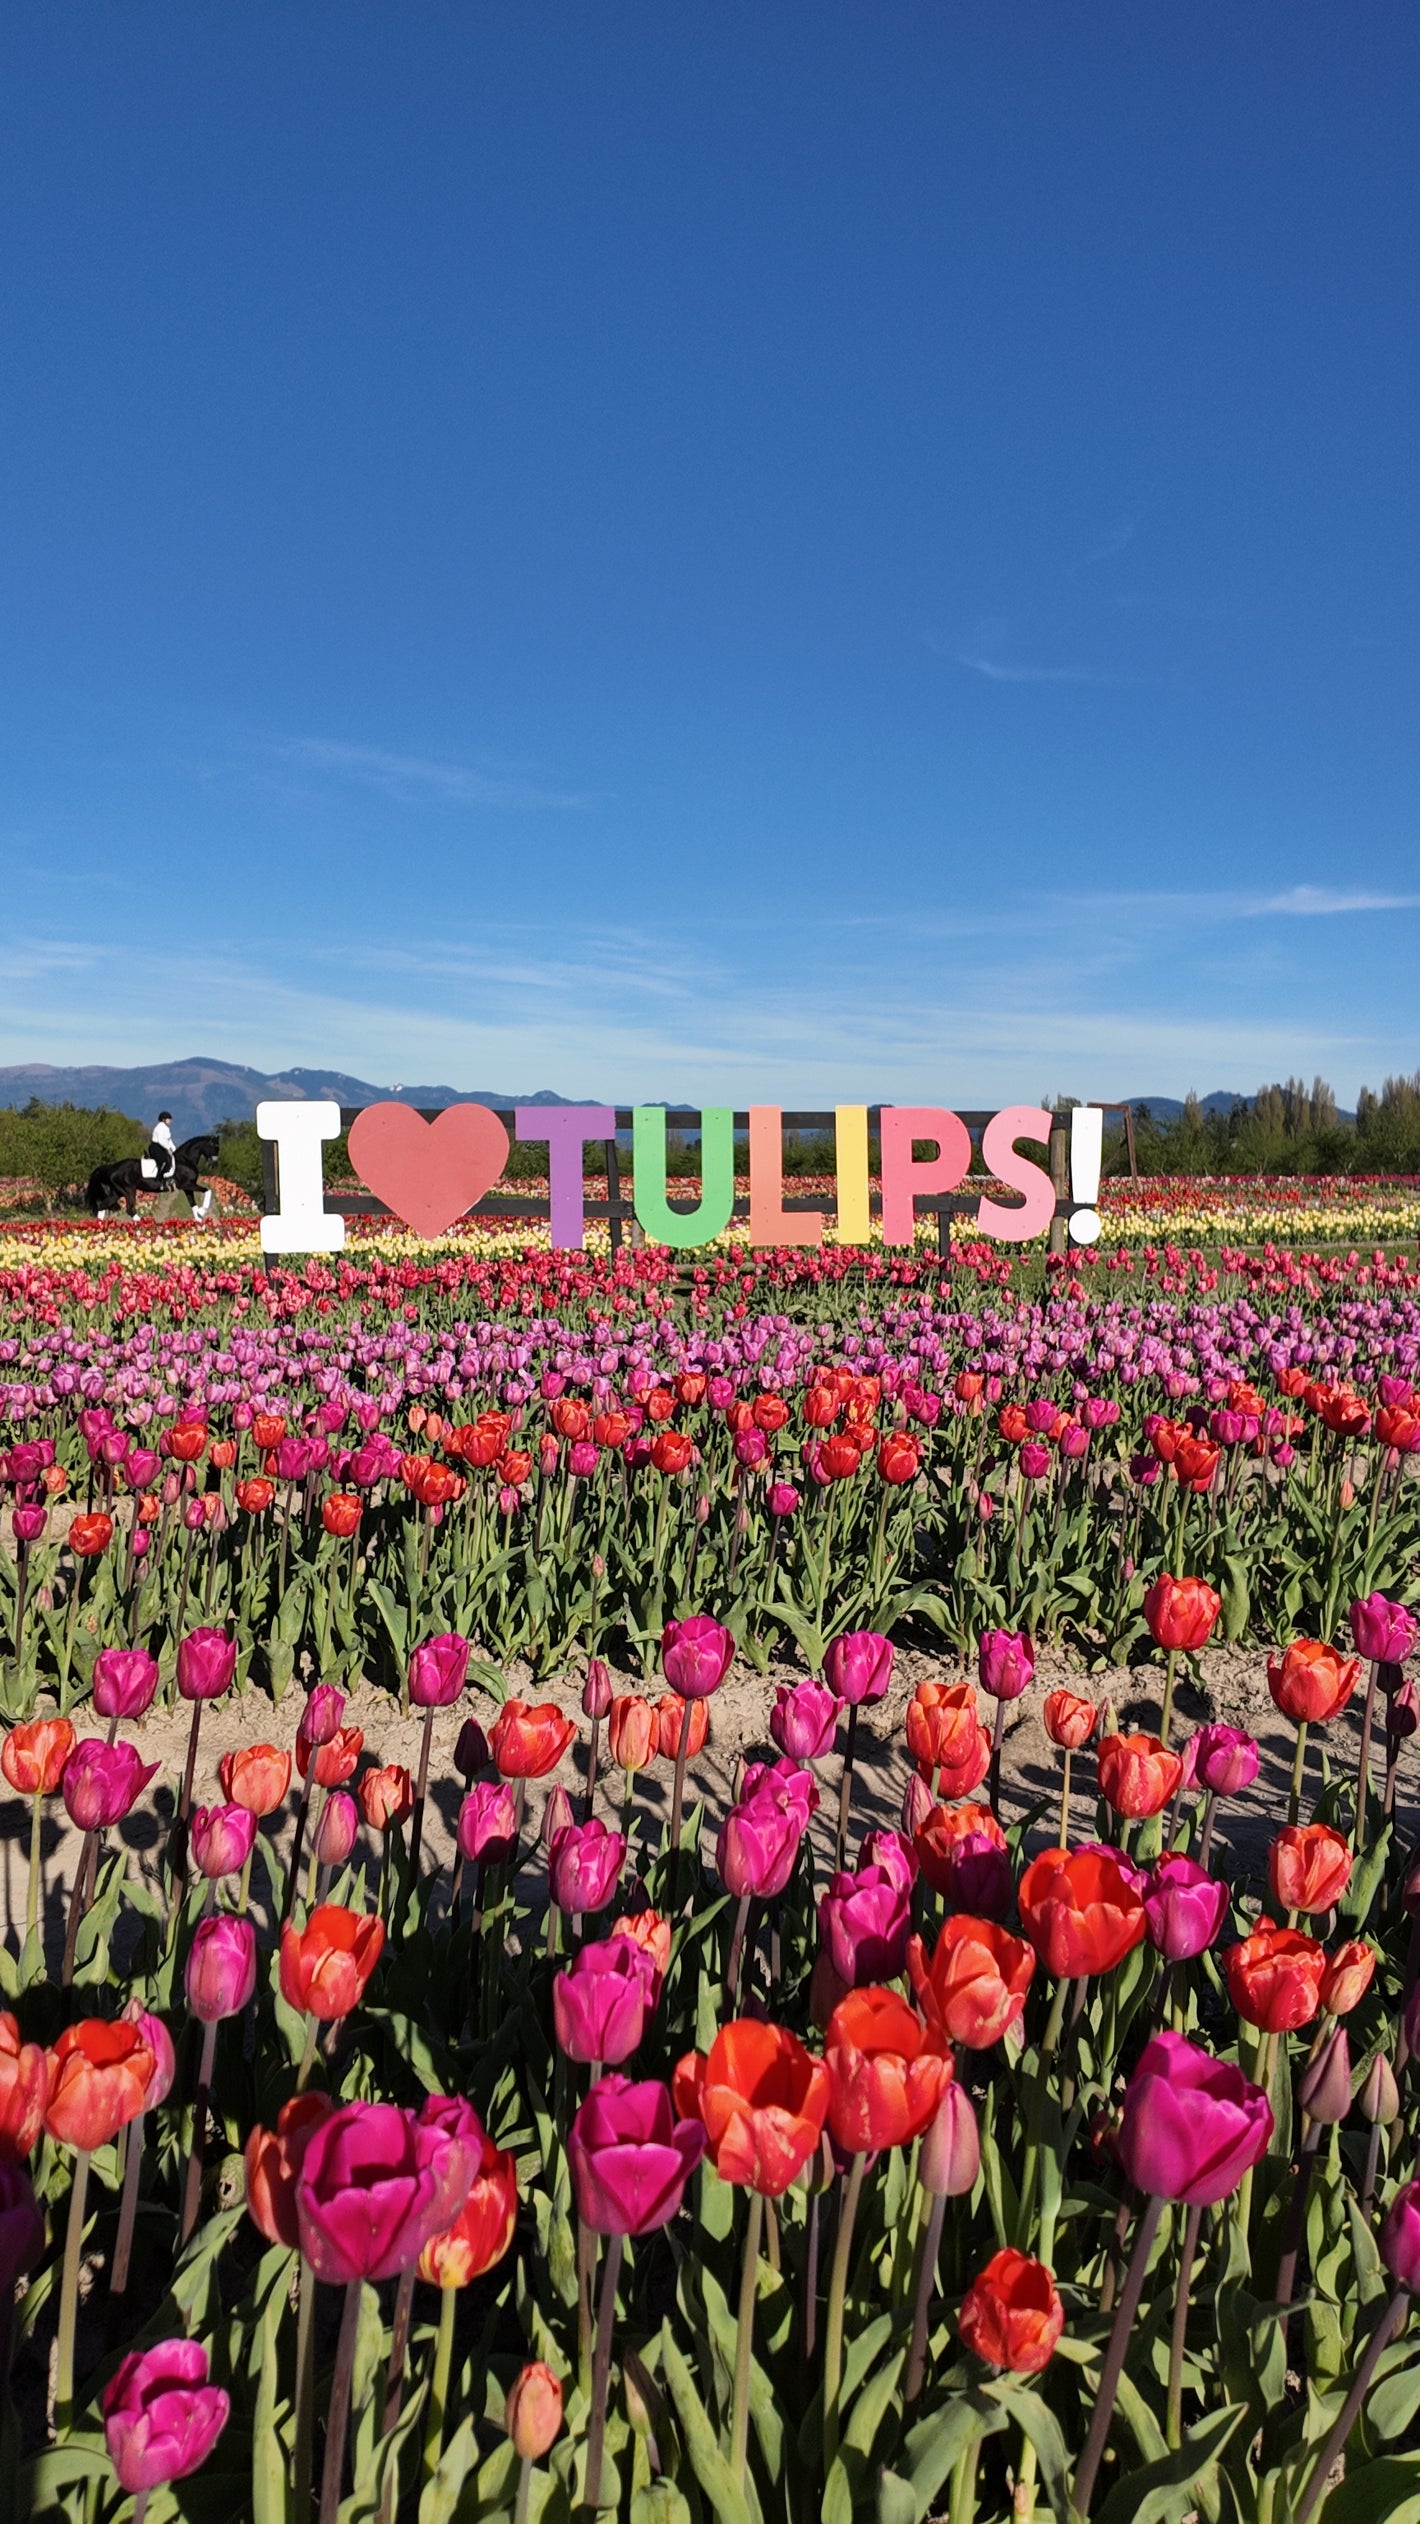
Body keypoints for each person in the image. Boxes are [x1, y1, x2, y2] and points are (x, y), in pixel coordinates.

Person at [148, 1112, 177, 1183]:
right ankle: (158, 1178)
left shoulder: (166, 1128)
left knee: (171, 1160)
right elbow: (161, 1140)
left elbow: (169, 1140)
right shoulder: (160, 1127)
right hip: (156, 1147)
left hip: (161, 1147)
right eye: (168, 1119)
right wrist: (168, 1148)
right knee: (164, 1161)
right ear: (163, 1119)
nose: (170, 1121)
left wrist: (174, 1149)